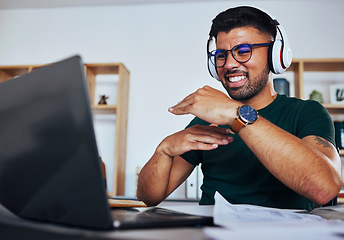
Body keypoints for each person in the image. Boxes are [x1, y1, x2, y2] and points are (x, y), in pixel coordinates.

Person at [136, 6, 342, 211]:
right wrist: (163, 150)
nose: (229, 64)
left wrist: (237, 114)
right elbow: (149, 197)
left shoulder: (306, 113)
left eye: (243, 51)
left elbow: (325, 188)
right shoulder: (205, 122)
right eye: (220, 55)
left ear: (275, 55)